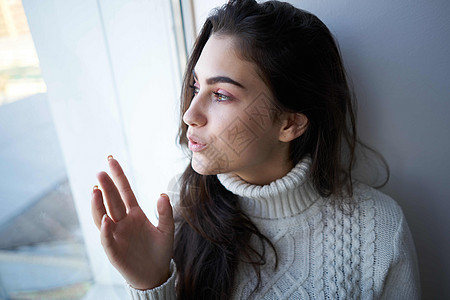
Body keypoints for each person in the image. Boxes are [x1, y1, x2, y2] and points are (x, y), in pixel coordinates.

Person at [91, 0, 420, 299]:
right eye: (195, 86)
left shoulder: (377, 231)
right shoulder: (183, 205)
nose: (190, 114)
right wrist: (151, 283)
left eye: (221, 94)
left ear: (289, 123)